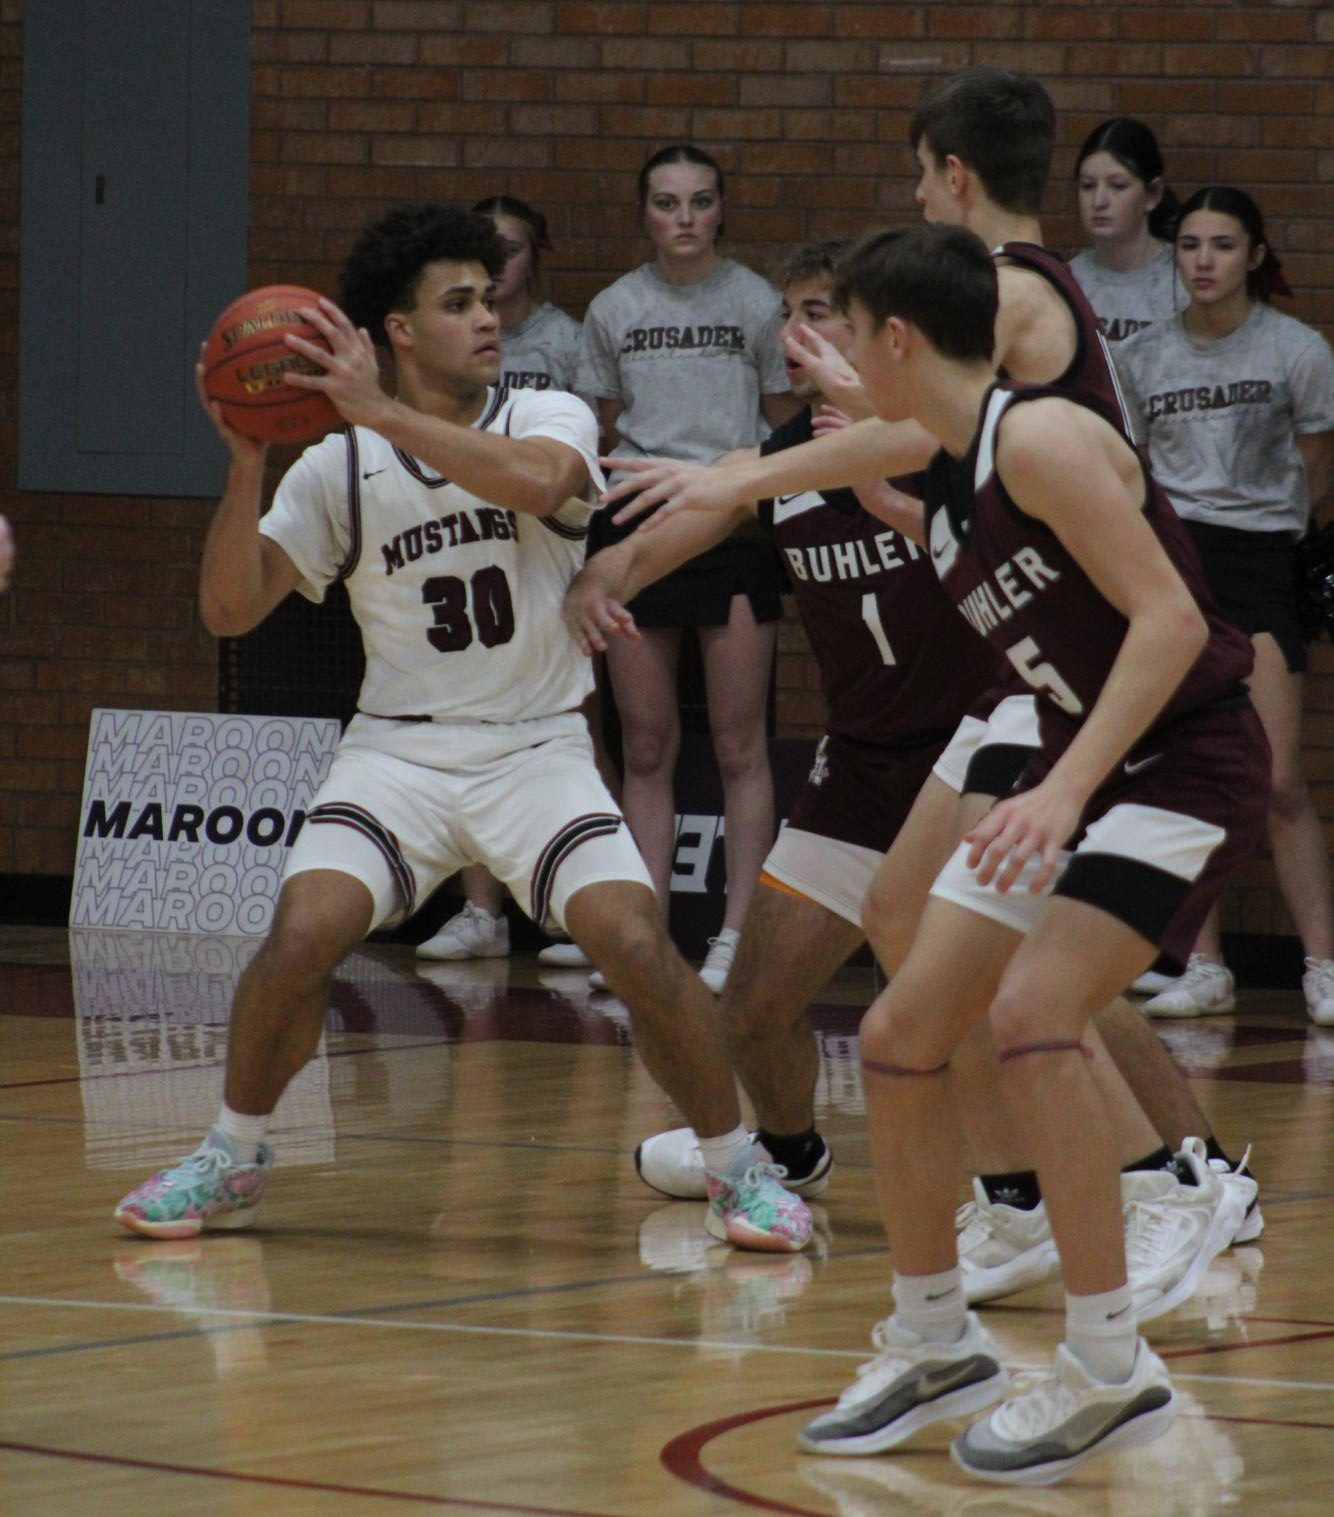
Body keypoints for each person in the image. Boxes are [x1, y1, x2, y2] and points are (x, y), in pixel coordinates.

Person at [600, 69, 1259, 1272]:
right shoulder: (998, 339)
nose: (912, 193)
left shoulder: (1007, 291)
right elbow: (917, 439)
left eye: (916, 174)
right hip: (1044, 668)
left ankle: (1167, 1178)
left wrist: (737, 473)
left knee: (1011, 967)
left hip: (1088, 679)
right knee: (924, 931)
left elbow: (916, 430)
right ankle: (1026, 1198)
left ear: (954, 175)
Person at [112, 204, 810, 1256]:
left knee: (629, 939)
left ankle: (733, 1165)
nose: (488, 316)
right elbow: (228, 609)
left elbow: (535, 485)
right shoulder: (336, 468)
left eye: (488, 298)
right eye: (458, 303)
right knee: (300, 935)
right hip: (395, 748)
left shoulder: (549, 412)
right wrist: (248, 460)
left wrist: (378, 416)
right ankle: (233, 1151)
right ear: (396, 330)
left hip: (535, 745)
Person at [797, 220, 1269, 1485]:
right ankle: (932, 1336)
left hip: (1177, 758)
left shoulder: (1040, 436)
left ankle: (1110, 1364)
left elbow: (1170, 620)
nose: (835, 355)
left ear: (896, 335)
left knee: (1034, 1009)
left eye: (848, 331)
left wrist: (1060, 788)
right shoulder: (949, 471)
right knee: (899, 1035)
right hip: (1078, 760)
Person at [567, 238, 997, 1199]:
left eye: (821, 314)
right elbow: (667, 536)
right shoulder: (782, 465)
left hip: (976, 755)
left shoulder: (949, 439)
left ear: (879, 332)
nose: (797, 335)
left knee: (1016, 997)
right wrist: (605, 572)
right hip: (864, 766)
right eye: (790, 315)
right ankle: (792, 1154)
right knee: (754, 1010)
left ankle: (1182, 1164)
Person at [575, 144, 801, 994]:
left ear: (720, 211)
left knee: (742, 741)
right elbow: (596, 431)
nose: (683, 218)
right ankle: (642, 933)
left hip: (735, 531)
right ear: (644, 213)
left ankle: (736, 937)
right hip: (637, 529)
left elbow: (784, 424)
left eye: (700, 202)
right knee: (644, 741)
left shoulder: (754, 302)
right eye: (667, 203)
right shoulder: (612, 308)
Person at [1116, 187, 1334, 1024]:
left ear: (1255, 254)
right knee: (1185, 775)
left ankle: (1320, 962)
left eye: (1223, 245)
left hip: (1260, 562)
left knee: (1279, 777)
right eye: (1190, 246)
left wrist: (1280, 540)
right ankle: (1199, 963)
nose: (1204, 261)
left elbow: (1316, 464)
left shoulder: (1297, 349)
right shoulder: (1143, 359)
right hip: (1176, 565)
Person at [416, 194, 592, 969]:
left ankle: (578, 897)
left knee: (568, 714)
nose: (494, 282)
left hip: (538, 541)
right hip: (445, 547)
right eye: (465, 293)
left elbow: (560, 469)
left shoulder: (560, 352)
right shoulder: (396, 411)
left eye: (508, 254)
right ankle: (481, 910)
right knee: (465, 723)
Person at [1069, 118, 1185, 346]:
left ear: (1153, 194)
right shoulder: (1067, 282)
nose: (1099, 201)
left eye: (1117, 186)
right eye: (1088, 186)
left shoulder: (1186, 279)